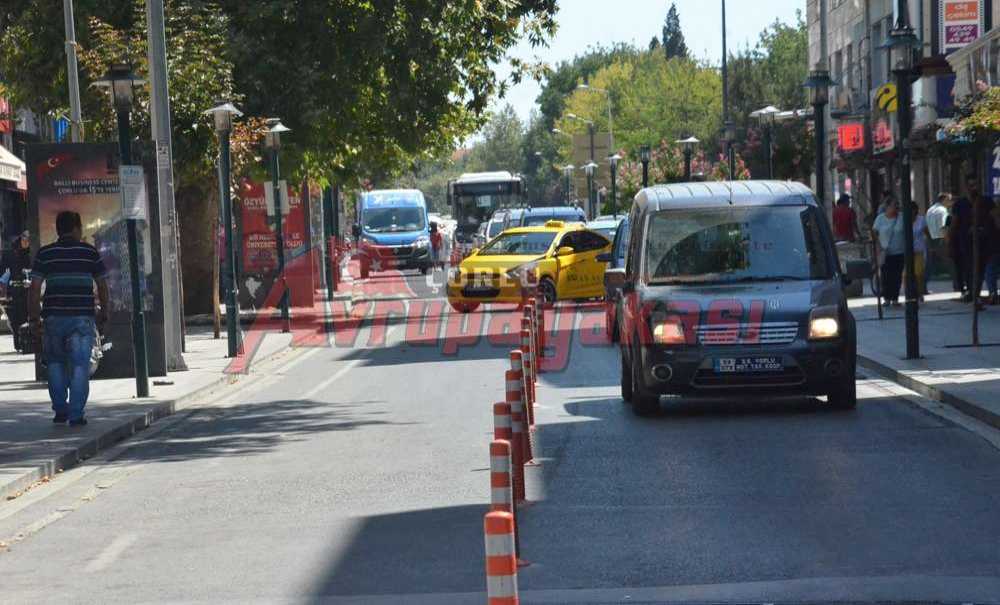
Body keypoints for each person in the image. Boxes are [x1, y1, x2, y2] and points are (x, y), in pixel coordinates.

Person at [28, 211, 109, 426]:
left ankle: (60, 410)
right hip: (82, 318)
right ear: (76, 228)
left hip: (53, 318)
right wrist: (104, 313)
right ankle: (76, 414)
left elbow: (35, 289)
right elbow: (102, 285)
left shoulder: (45, 254)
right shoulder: (89, 253)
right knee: (80, 365)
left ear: (58, 230)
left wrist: (34, 319)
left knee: (55, 363)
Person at [1, 231, 33, 352]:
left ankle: (25, 342)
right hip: (13, 289)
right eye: (24, 240)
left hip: (27, 289)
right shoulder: (10, 254)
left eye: (28, 240)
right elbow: (3, 272)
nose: (26, 242)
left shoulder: (30, 253)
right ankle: (18, 343)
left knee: (25, 316)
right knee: (15, 318)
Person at [873, 198, 906, 306]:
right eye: (893, 205)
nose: (896, 208)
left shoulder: (901, 217)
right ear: (887, 207)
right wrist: (878, 247)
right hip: (885, 253)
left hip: (899, 252)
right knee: (886, 276)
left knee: (897, 276)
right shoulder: (880, 218)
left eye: (897, 205)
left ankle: (895, 298)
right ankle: (887, 298)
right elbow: (874, 233)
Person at [925, 193, 952, 292]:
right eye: (949, 200)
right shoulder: (943, 211)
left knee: (930, 264)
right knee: (950, 261)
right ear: (944, 199)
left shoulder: (930, 210)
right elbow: (943, 226)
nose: (950, 203)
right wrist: (947, 240)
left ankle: (924, 287)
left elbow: (926, 226)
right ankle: (957, 285)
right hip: (941, 239)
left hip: (931, 239)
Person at [909, 202, 929, 299]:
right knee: (906, 274)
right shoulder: (903, 220)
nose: (912, 212)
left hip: (919, 249)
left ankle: (920, 293)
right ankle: (910, 293)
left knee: (919, 273)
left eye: (913, 210)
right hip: (907, 251)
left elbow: (927, 232)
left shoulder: (921, 220)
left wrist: (931, 244)